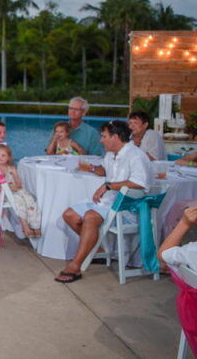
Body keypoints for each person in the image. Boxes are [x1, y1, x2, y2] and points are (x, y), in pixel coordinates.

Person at [55, 120, 152, 283]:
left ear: (115, 137)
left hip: (127, 206)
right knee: (69, 215)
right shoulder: (110, 154)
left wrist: (109, 186)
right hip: (108, 202)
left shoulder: (136, 155)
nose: (100, 140)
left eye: (103, 136)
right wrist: (91, 168)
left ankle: (75, 266)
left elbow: (140, 183)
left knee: (90, 216)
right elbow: (106, 171)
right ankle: (97, 248)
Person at [0, 144, 41, 238]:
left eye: (3, 155)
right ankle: (25, 226)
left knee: (30, 199)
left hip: (15, 190)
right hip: (3, 194)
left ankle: (35, 225)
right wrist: (9, 189)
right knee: (19, 201)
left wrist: (17, 184)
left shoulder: (11, 168)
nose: (0, 158)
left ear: (8, 157)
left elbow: (18, 182)